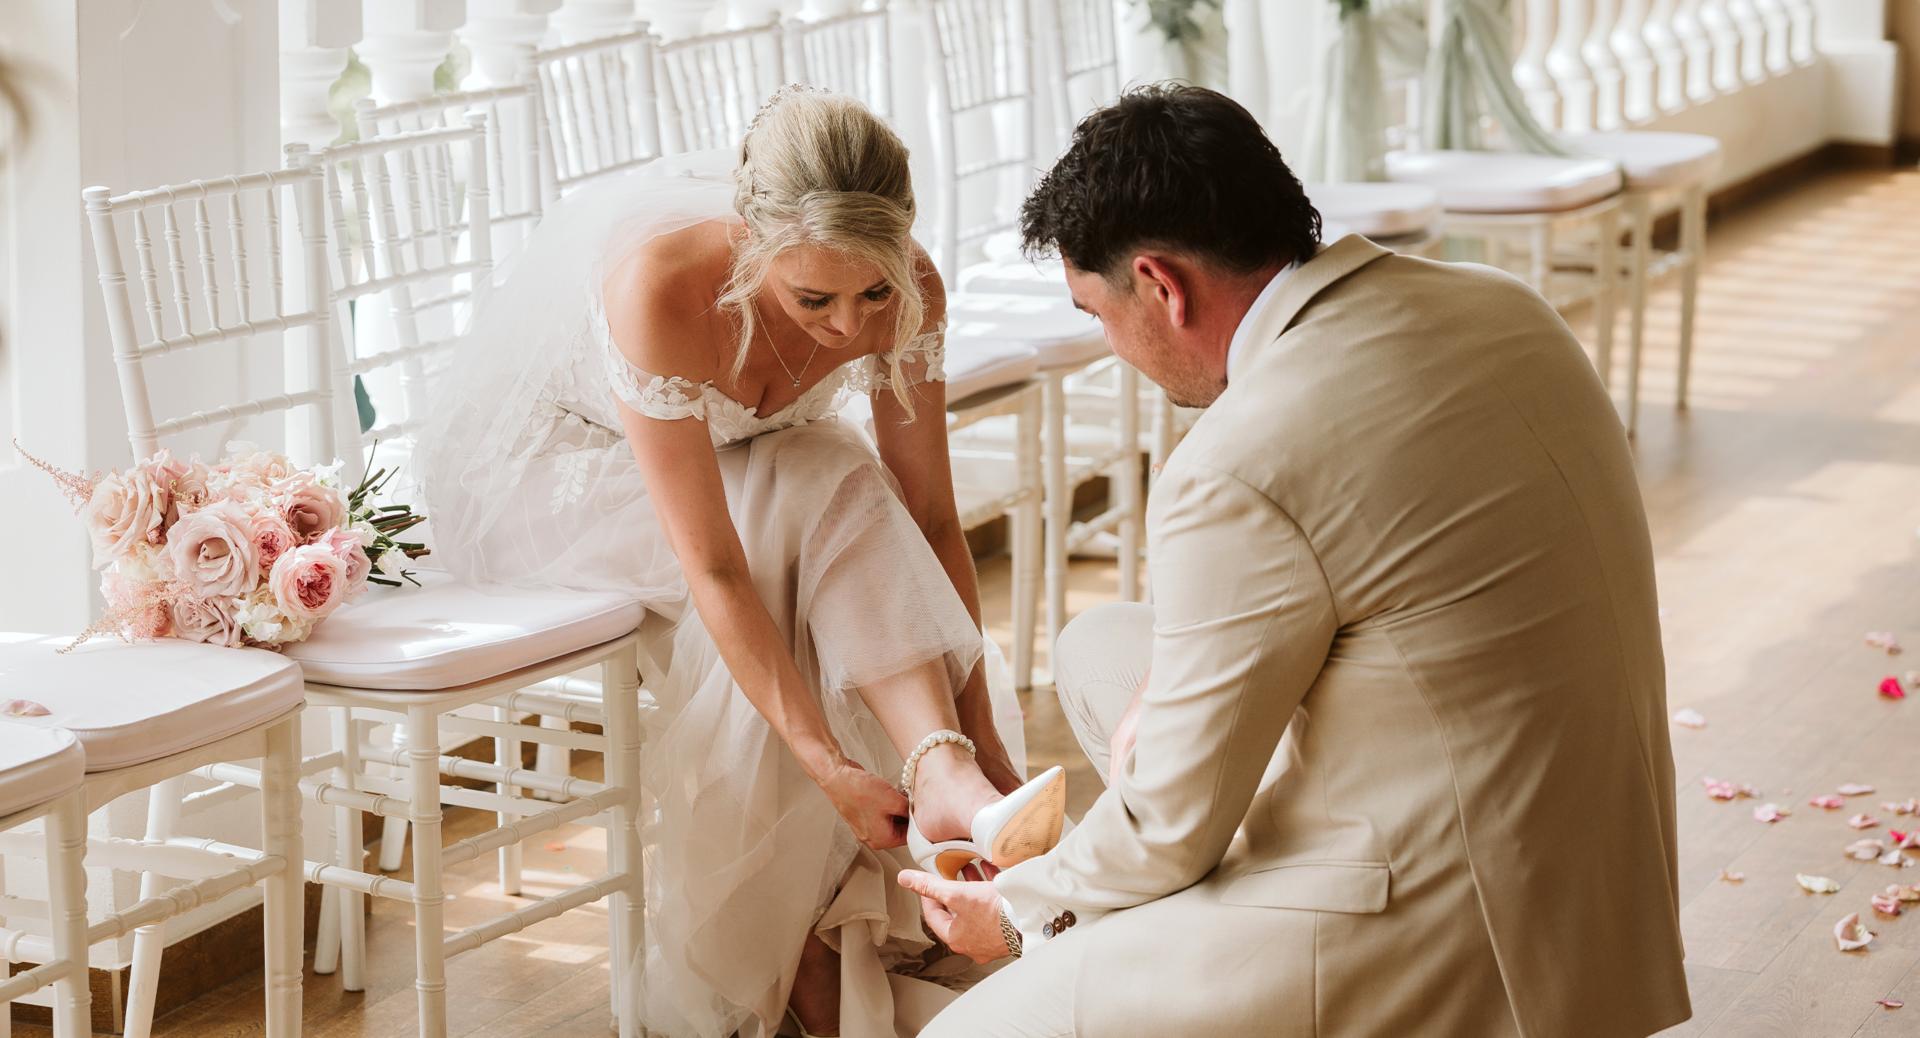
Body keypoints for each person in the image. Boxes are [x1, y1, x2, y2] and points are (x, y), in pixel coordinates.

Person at [901, 84, 1691, 1037]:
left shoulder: (1238, 459)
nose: (1115, 349)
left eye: (1099, 315)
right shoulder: (1506, 306)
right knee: (1103, 646)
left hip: (1450, 919)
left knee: (959, 1034)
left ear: (1161, 284)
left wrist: (1023, 913)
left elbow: (1170, 832)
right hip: (1597, 870)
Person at [418, 87, 1066, 1038]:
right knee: (810, 492)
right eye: (814, 298)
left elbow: (930, 515)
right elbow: (714, 568)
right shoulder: (661, 288)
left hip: (758, 496)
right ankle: (850, 888)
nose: (850, 327)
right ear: (752, 248)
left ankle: (917, 806)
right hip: (564, 489)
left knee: (817, 489)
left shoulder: (908, 291)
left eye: (873, 292)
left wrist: (986, 726)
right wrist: (831, 765)